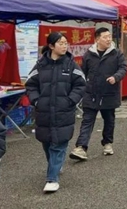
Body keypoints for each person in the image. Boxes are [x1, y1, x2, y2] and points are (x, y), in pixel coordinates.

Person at [25, 32, 86, 193]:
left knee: (59, 143)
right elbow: (30, 84)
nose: (64, 46)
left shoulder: (71, 64)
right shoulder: (40, 64)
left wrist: (71, 100)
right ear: (51, 46)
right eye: (60, 43)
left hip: (63, 111)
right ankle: (55, 166)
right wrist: (36, 100)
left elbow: (81, 84)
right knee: (46, 142)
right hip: (44, 111)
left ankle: (52, 179)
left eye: (66, 43)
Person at [70, 28, 127, 161]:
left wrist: (116, 77)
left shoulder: (116, 53)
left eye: (109, 36)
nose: (108, 39)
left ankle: (107, 143)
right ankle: (81, 147)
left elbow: (123, 68)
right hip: (91, 93)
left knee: (109, 120)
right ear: (97, 39)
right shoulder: (89, 54)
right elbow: (82, 72)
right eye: (105, 37)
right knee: (87, 121)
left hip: (109, 92)